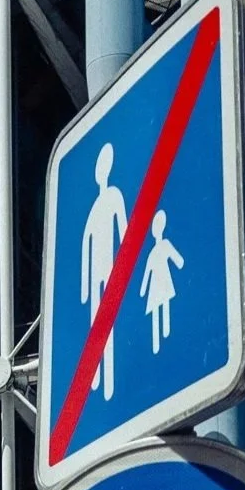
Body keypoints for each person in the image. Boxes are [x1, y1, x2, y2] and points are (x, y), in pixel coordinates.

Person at [80, 142, 128, 401]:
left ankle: (108, 377)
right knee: (96, 325)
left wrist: (126, 267)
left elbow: (123, 229)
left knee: (109, 324)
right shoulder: (97, 205)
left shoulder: (113, 198)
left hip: (111, 271)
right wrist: (85, 287)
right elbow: (86, 244)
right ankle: (96, 375)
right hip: (99, 273)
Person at [139, 209, 185, 356]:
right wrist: (143, 289)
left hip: (164, 279)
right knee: (156, 311)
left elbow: (175, 257)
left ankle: (166, 334)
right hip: (155, 284)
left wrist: (179, 262)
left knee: (165, 304)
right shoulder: (152, 253)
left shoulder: (164, 244)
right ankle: (157, 344)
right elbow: (147, 272)